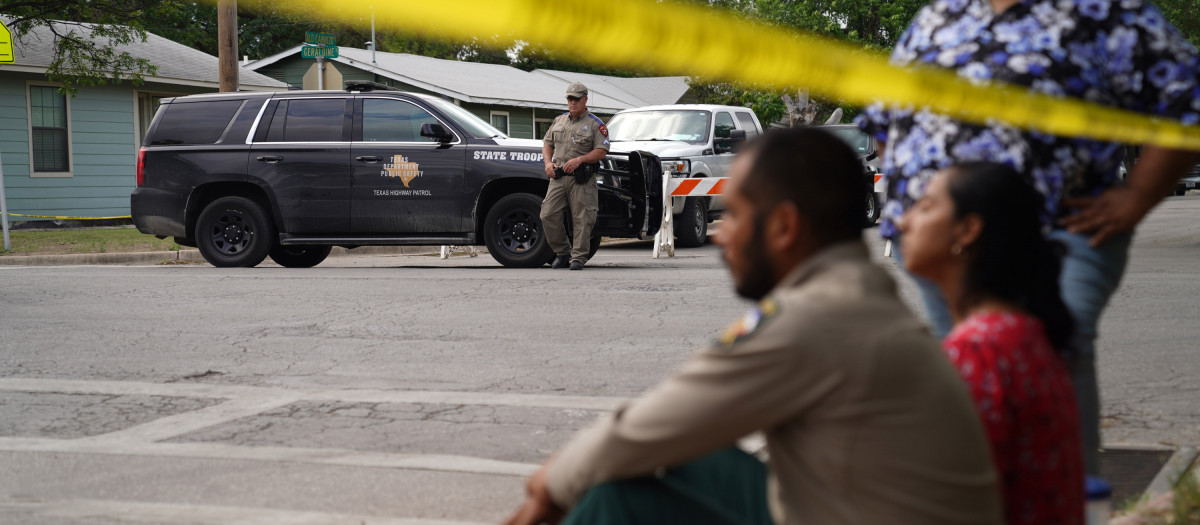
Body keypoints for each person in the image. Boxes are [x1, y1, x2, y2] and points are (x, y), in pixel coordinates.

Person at [505, 128, 1003, 525]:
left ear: (785, 226)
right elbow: (667, 425)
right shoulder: (855, 292)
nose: (722, 238)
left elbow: (648, 429)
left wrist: (549, 484)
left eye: (737, 216)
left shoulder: (818, 319)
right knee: (666, 458)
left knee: (615, 491)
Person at [858, 0, 1200, 473]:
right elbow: (884, 119)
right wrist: (915, 197)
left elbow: (1186, 98)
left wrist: (1137, 196)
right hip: (941, 241)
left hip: (1058, 233)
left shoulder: (1105, 11)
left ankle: (1068, 499)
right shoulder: (942, 13)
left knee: (1048, 357)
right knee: (967, 372)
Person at [898, 162, 1084, 525]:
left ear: (967, 230)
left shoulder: (977, 351)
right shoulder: (1023, 332)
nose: (904, 222)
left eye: (925, 207)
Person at [541, 82, 611, 271]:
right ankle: (563, 252)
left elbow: (601, 150)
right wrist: (548, 163)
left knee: (582, 217)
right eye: (569, 99)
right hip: (558, 176)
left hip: (582, 178)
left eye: (576, 99)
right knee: (547, 214)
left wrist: (580, 160)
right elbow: (547, 144)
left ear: (585, 100)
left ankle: (578, 257)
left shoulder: (595, 124)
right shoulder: (559, 120)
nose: (572, 103)